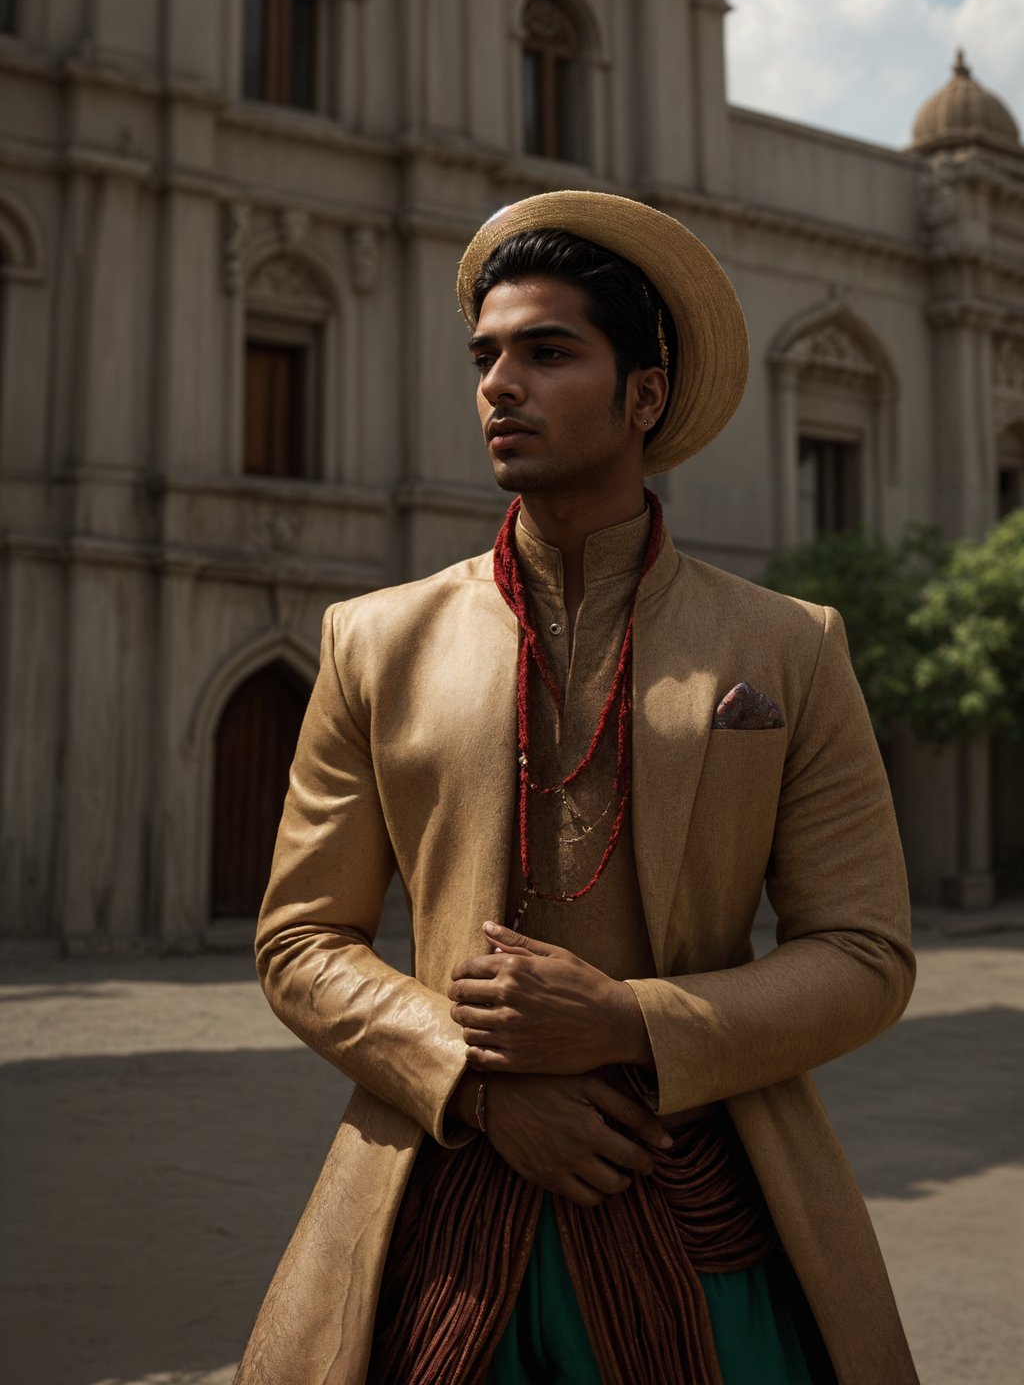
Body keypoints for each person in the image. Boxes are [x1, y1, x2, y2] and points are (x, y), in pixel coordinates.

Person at [236, 191, 918, 1385]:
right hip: (442, 1210)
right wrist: (479, 1090)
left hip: (708, 1209)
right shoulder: (373, 643)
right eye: (486, 355)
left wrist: (627, 1024)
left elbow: (865, 952)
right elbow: (300, 940)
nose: (501, 383)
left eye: (548, 352)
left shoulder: (786, 646)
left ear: (642, 394)